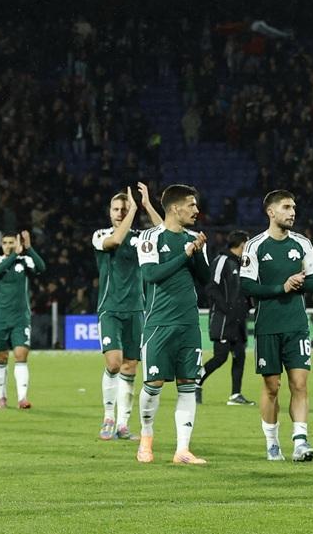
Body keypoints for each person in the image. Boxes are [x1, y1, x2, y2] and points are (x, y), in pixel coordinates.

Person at [240, 190, 313, 462]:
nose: (292, 212)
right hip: (268, 326)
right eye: (286, 207)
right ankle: (272, 443)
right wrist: (282, 287)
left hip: (297, 325)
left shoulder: (302, 243)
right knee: (272, 387)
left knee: (299, 383)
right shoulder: (255, 246)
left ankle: (300, 441)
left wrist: (299, 282)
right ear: (271, 212)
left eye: (294, 207)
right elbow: (247, 286)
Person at [134, 184, 212, 465]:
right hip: (160, 323)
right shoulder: (149, 238)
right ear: (176, 208)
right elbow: (151, 275)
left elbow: (205, 279)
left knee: (188, 384)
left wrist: (197, 252)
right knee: (153, 384)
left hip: (189, 323)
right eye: (191, 205)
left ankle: (183, 449)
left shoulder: (193, 239)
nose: (196, 210)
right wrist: (186, 255)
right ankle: (146, 436)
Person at [91, 183, 161, 440]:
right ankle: (108, 417)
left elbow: (165, 233)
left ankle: (123, 425)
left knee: (130, 367)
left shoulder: (140, 239)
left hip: (136, 310)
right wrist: (132, 211)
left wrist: (147, 205)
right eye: (116, 209)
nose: (120, 213)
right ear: (109, 212)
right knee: (114, 363)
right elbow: (116, 240)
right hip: (109, 309)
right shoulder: (100, 235)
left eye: (124, 208)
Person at [0, 229, 45, 409]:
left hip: (21, 318)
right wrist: (14, 255)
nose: (8, 246)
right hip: (0, 318)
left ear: (17, 243)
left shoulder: (25, 261)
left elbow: (41, 268)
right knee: (1, 357)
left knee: (21, 355)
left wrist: (29, 248)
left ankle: (22, 398)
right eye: (5, 243)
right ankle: (2, 396)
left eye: (11, 242)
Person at [201, 230, 252, 405]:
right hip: (223, 319)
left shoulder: (241, 263)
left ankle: (235, 395)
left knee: (240, 356)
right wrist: (226, 308)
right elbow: (211, 287)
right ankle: (196, 382)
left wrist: (247, 306)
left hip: (238, 320)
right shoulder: (222, 261)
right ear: (242, 244)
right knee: (220, 357)